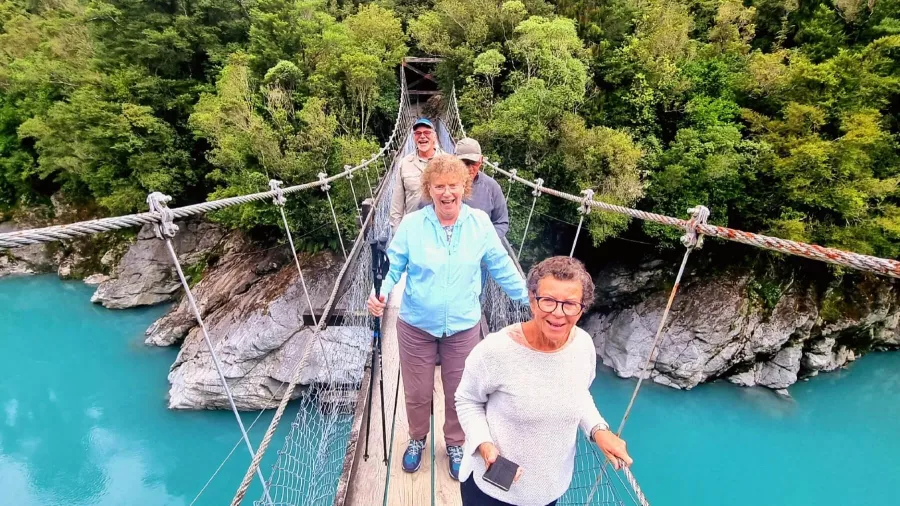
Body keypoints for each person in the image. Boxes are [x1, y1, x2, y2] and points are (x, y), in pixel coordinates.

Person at [367, 155, 528, 482]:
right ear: (428, 189)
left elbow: (501, 266)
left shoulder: (480, 223)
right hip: (415, 326)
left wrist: (531, 299)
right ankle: (417, 437)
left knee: (461, 392)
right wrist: (380, 294)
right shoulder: (413, 226)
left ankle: (455, 443)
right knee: (417, 392)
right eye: (438, 186)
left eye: (453, 185)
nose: (446, 193)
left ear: (464, 187)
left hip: (463, 326)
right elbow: (393, 265)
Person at [455, 256, 633, 506]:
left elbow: (578, 393)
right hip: (491, 490)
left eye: (570, 304)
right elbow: (467, 400)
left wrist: (598, 430)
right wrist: (484, 445)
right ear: (532, 300)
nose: (558, 314)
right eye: (548, 301)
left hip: (548, 491)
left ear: (582, 308)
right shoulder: (495, 351)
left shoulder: (583, 346)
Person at [389, 117, 444, 233]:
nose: (422, 136)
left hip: (441, 229)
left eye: (427, 132)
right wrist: (396, 231)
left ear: (435, 136)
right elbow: (397, 202)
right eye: (418, 133)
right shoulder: (404, 163)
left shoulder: (447, 161)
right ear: (413, 137)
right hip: (413, 229)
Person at [453, 137, 509, 239]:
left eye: (474, 163)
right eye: (464, 163)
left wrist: (485, 241)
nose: (470, 169)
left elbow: (501, 222)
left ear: (481, 160)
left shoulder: (491, 187)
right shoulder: (442, 184)